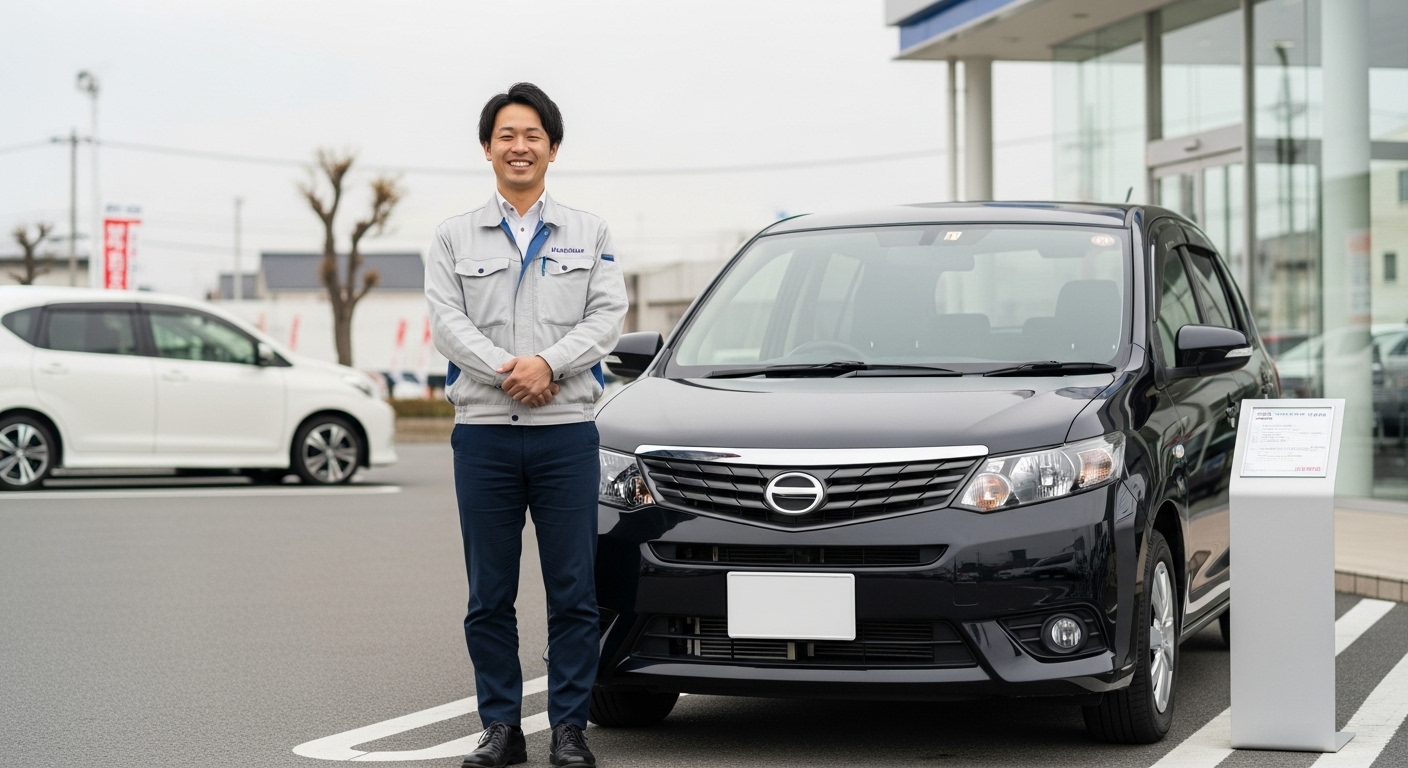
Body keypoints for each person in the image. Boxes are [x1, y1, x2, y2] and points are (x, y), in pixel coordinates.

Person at [425, 82, 628, 768]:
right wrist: (511, 371)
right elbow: (447, 324)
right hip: (483, 433)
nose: (520, 146)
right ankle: (501, 730)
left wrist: (548, 364)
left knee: (574, 591)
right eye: (507, 135)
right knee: (490, 593)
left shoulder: (588, 230)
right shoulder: (453, 235)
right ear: (487, 148)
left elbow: (606, 317)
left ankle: (569, 730)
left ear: (553, 148)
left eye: (533, 135)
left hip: (566, 433)